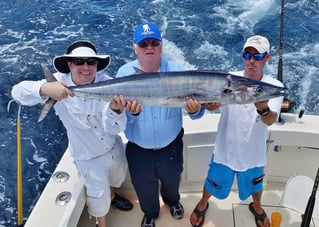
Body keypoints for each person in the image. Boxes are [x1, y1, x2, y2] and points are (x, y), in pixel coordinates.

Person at [11, 40, 134, 227]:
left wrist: (116, 111)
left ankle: (113, 195)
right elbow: (17, 92)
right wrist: (44, 89)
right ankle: (101, 224)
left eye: (91, 62)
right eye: (79, 61)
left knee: (116, 179)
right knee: (98, 199)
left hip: (113, 147)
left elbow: (115, 129)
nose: (86, 67)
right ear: (70, 64)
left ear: (96, 65)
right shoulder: (58, 82)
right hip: (88, 157)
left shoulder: (109, 84)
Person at [189, 35, 284, 227]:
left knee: (256, 186)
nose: (251, 61)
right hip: (225, 150)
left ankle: (256, 207)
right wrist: (209, 106)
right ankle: (203, 202)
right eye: (247, 55)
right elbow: (211, 103)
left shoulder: (274, 87)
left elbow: (270, 120)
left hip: (253, 155)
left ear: (267, 58)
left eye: (257, 56)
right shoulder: (228, 79)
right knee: (212, 181)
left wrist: (263, 107)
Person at [116, 22, 202, 227]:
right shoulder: (123, 73)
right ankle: (150, 213)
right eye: (143, 43)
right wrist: (132, 113)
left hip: (171, 146)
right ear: (135, 47)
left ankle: (173, 202)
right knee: (144, 186)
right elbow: (117, 120)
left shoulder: (177, 70)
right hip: (139, 149)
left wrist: (195, 110)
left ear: (161, 45)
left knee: (172, 182)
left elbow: (195, 114)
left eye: (154, 42)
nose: (149, 47)